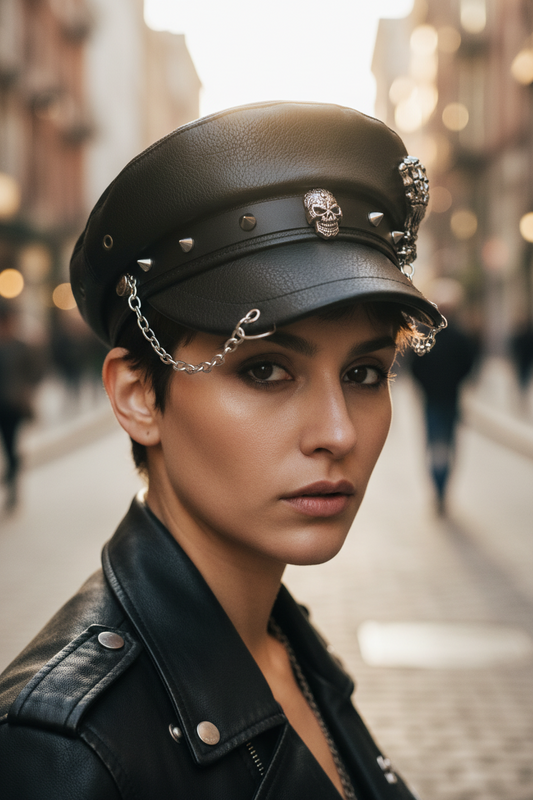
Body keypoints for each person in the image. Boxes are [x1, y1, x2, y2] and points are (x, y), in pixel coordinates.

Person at [0, 101, 445, 799]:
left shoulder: (282, 641)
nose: (338, 432)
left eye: (363, 374)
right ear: (138, 395)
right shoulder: (65, 749)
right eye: (265, 369)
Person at [409, 279, 478, 515]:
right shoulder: (459, 336)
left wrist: (426, 386)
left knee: (436, 444)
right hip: (447, 398)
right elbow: (469, 364)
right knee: (445, 445)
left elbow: (415, 367)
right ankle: (441, 489)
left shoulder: (428, 335)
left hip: (435, 400)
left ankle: (439, 489)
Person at [0, 300, 43, 513]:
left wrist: (27, 390)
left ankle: (12, 479)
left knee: (10, 446)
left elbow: (35, 371)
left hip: (13, 406)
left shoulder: (21, 346)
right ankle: (10, 471)